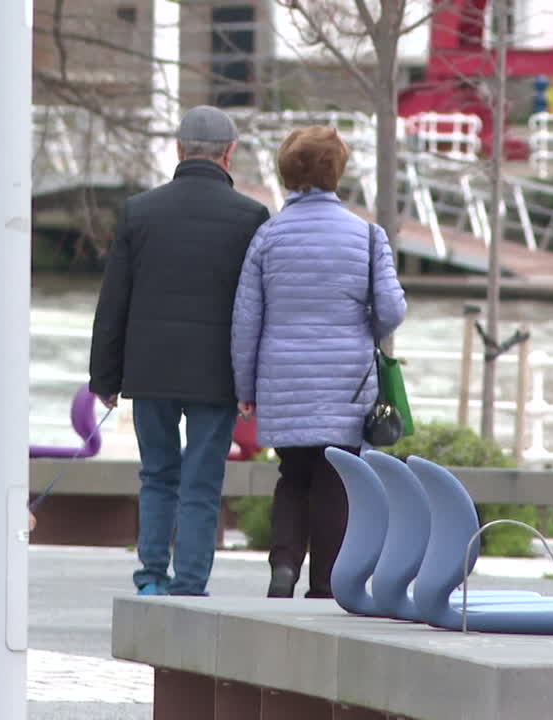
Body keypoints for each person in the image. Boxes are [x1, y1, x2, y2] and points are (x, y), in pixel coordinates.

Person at [89, 105, 271, 597]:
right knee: (202, 480)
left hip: (149, 368)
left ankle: (151, 575)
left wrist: (103, 377)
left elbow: (114, 302)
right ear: (230, 154)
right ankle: (190, 582)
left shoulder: (138, 211)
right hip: (216, 374)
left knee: (158, 474)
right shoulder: (251, 217)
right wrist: (252, 380)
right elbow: (257, 307)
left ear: (179, 149)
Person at [230, 125, 407, 599]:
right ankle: (325, 584)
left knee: (293, 477)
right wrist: (358, 324)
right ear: (338, 172)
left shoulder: (267, 237)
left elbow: (246, 320)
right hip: (345, 381)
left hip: (282, 378)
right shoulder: (367, 237)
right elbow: (391, 310)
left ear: (288, 173)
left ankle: (283, 566)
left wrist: (244, 390)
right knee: (336, 479)